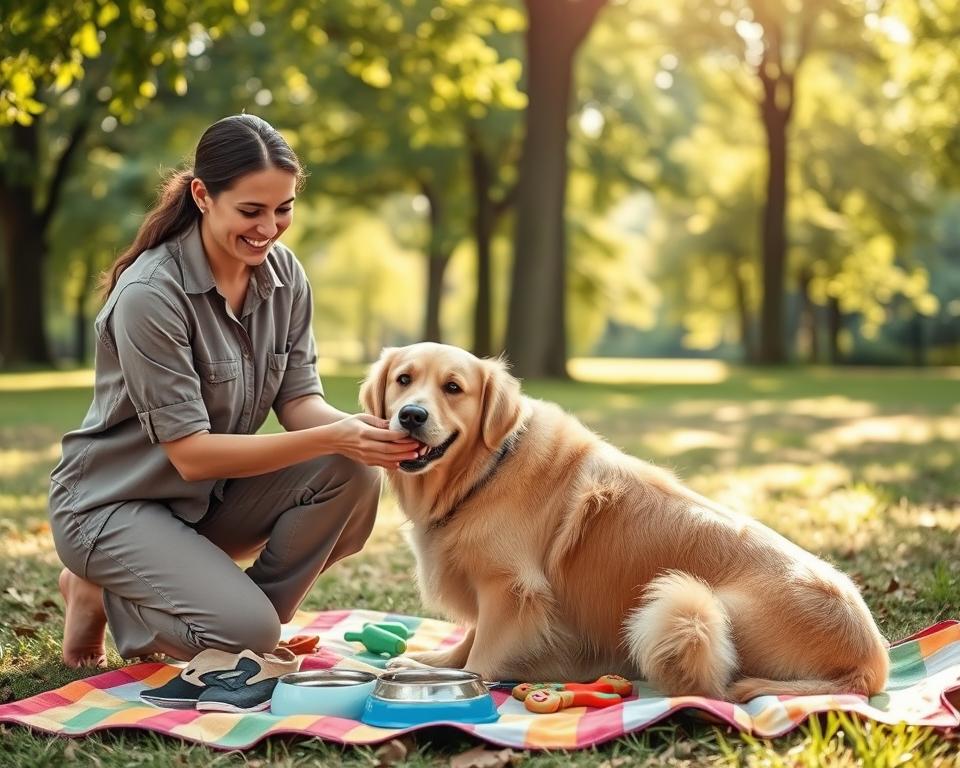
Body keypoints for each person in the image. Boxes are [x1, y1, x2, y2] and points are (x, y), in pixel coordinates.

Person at [49, 114, 422, 668]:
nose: (269, 228)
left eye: (283, 208)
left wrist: (361, 434)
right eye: (251, 211)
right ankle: (102, 591)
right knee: (246, 632)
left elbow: (299, 402)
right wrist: (334, 437)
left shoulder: (284, 276)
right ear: (203, 196)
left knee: (352, 473)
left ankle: (242, 620)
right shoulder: (150, 294)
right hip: (112, 506)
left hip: (206, 503)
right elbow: (192, 455)